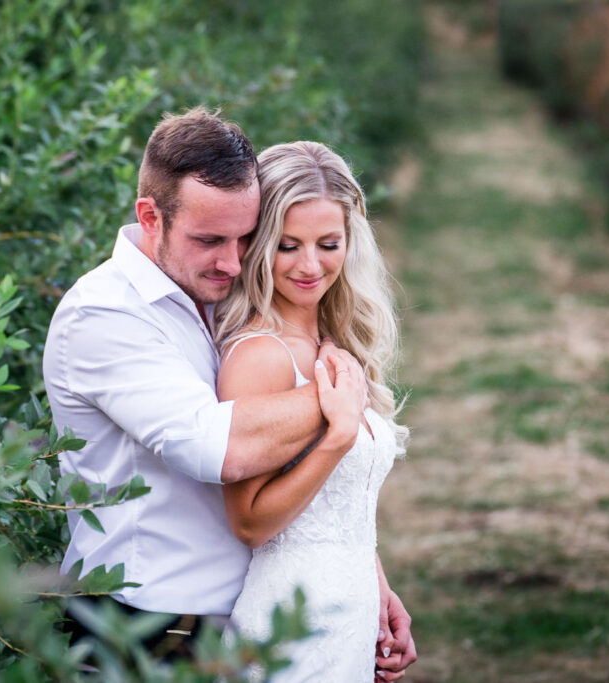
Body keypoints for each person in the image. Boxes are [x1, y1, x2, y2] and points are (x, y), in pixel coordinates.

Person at [42, 108, 413, 676]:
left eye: (246, 238)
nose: (234, 261)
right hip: (145, 630)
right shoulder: (104, 313)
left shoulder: (218, 292)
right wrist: (340, 398)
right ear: (151, 216)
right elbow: (214, 447)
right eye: (211, 239)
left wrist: (367, 580)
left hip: (242, 624)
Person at [214, 140, 415, 681]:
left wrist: (380, 590)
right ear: (257, 246)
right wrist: (336, 437)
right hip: (289, 624)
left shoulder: (331, 338)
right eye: (286, 246)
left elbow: (338, 509)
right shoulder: (260, 355)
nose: (310, 265)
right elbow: (250, 522)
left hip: (347, 612)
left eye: (329, 243)